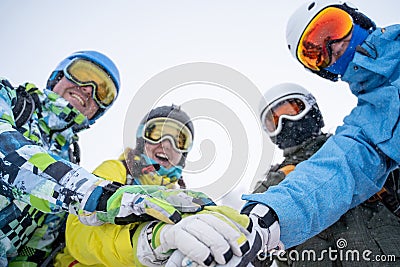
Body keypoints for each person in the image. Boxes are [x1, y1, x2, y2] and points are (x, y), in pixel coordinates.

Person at [134, 1, 400, 265]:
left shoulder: (363, 137)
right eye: (316, 53)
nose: (334, 47)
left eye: (335, 28)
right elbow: (339, 170)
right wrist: (262, 220)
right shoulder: (368, 135)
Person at [0, 51, 182, 266]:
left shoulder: (69, 160)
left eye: (102, 92)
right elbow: (9, 156)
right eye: (82, 73)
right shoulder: (10, 100)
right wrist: (99, 196)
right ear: (58, 76)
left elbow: (37, 245)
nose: (88, 89)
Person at [252, 82, 400, 266]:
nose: (286, 122)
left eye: (292, 110)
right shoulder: (272, 188)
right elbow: (251, 250)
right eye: (274, 120)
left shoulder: (364, 152)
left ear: (311, 110)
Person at [53, 104, 220, 266]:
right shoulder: (117, 171)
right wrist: (142, 243)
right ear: (141, 140)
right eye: (157, 133)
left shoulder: (181, 200)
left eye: (179, 140)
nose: (167, 144)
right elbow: (78, 236)